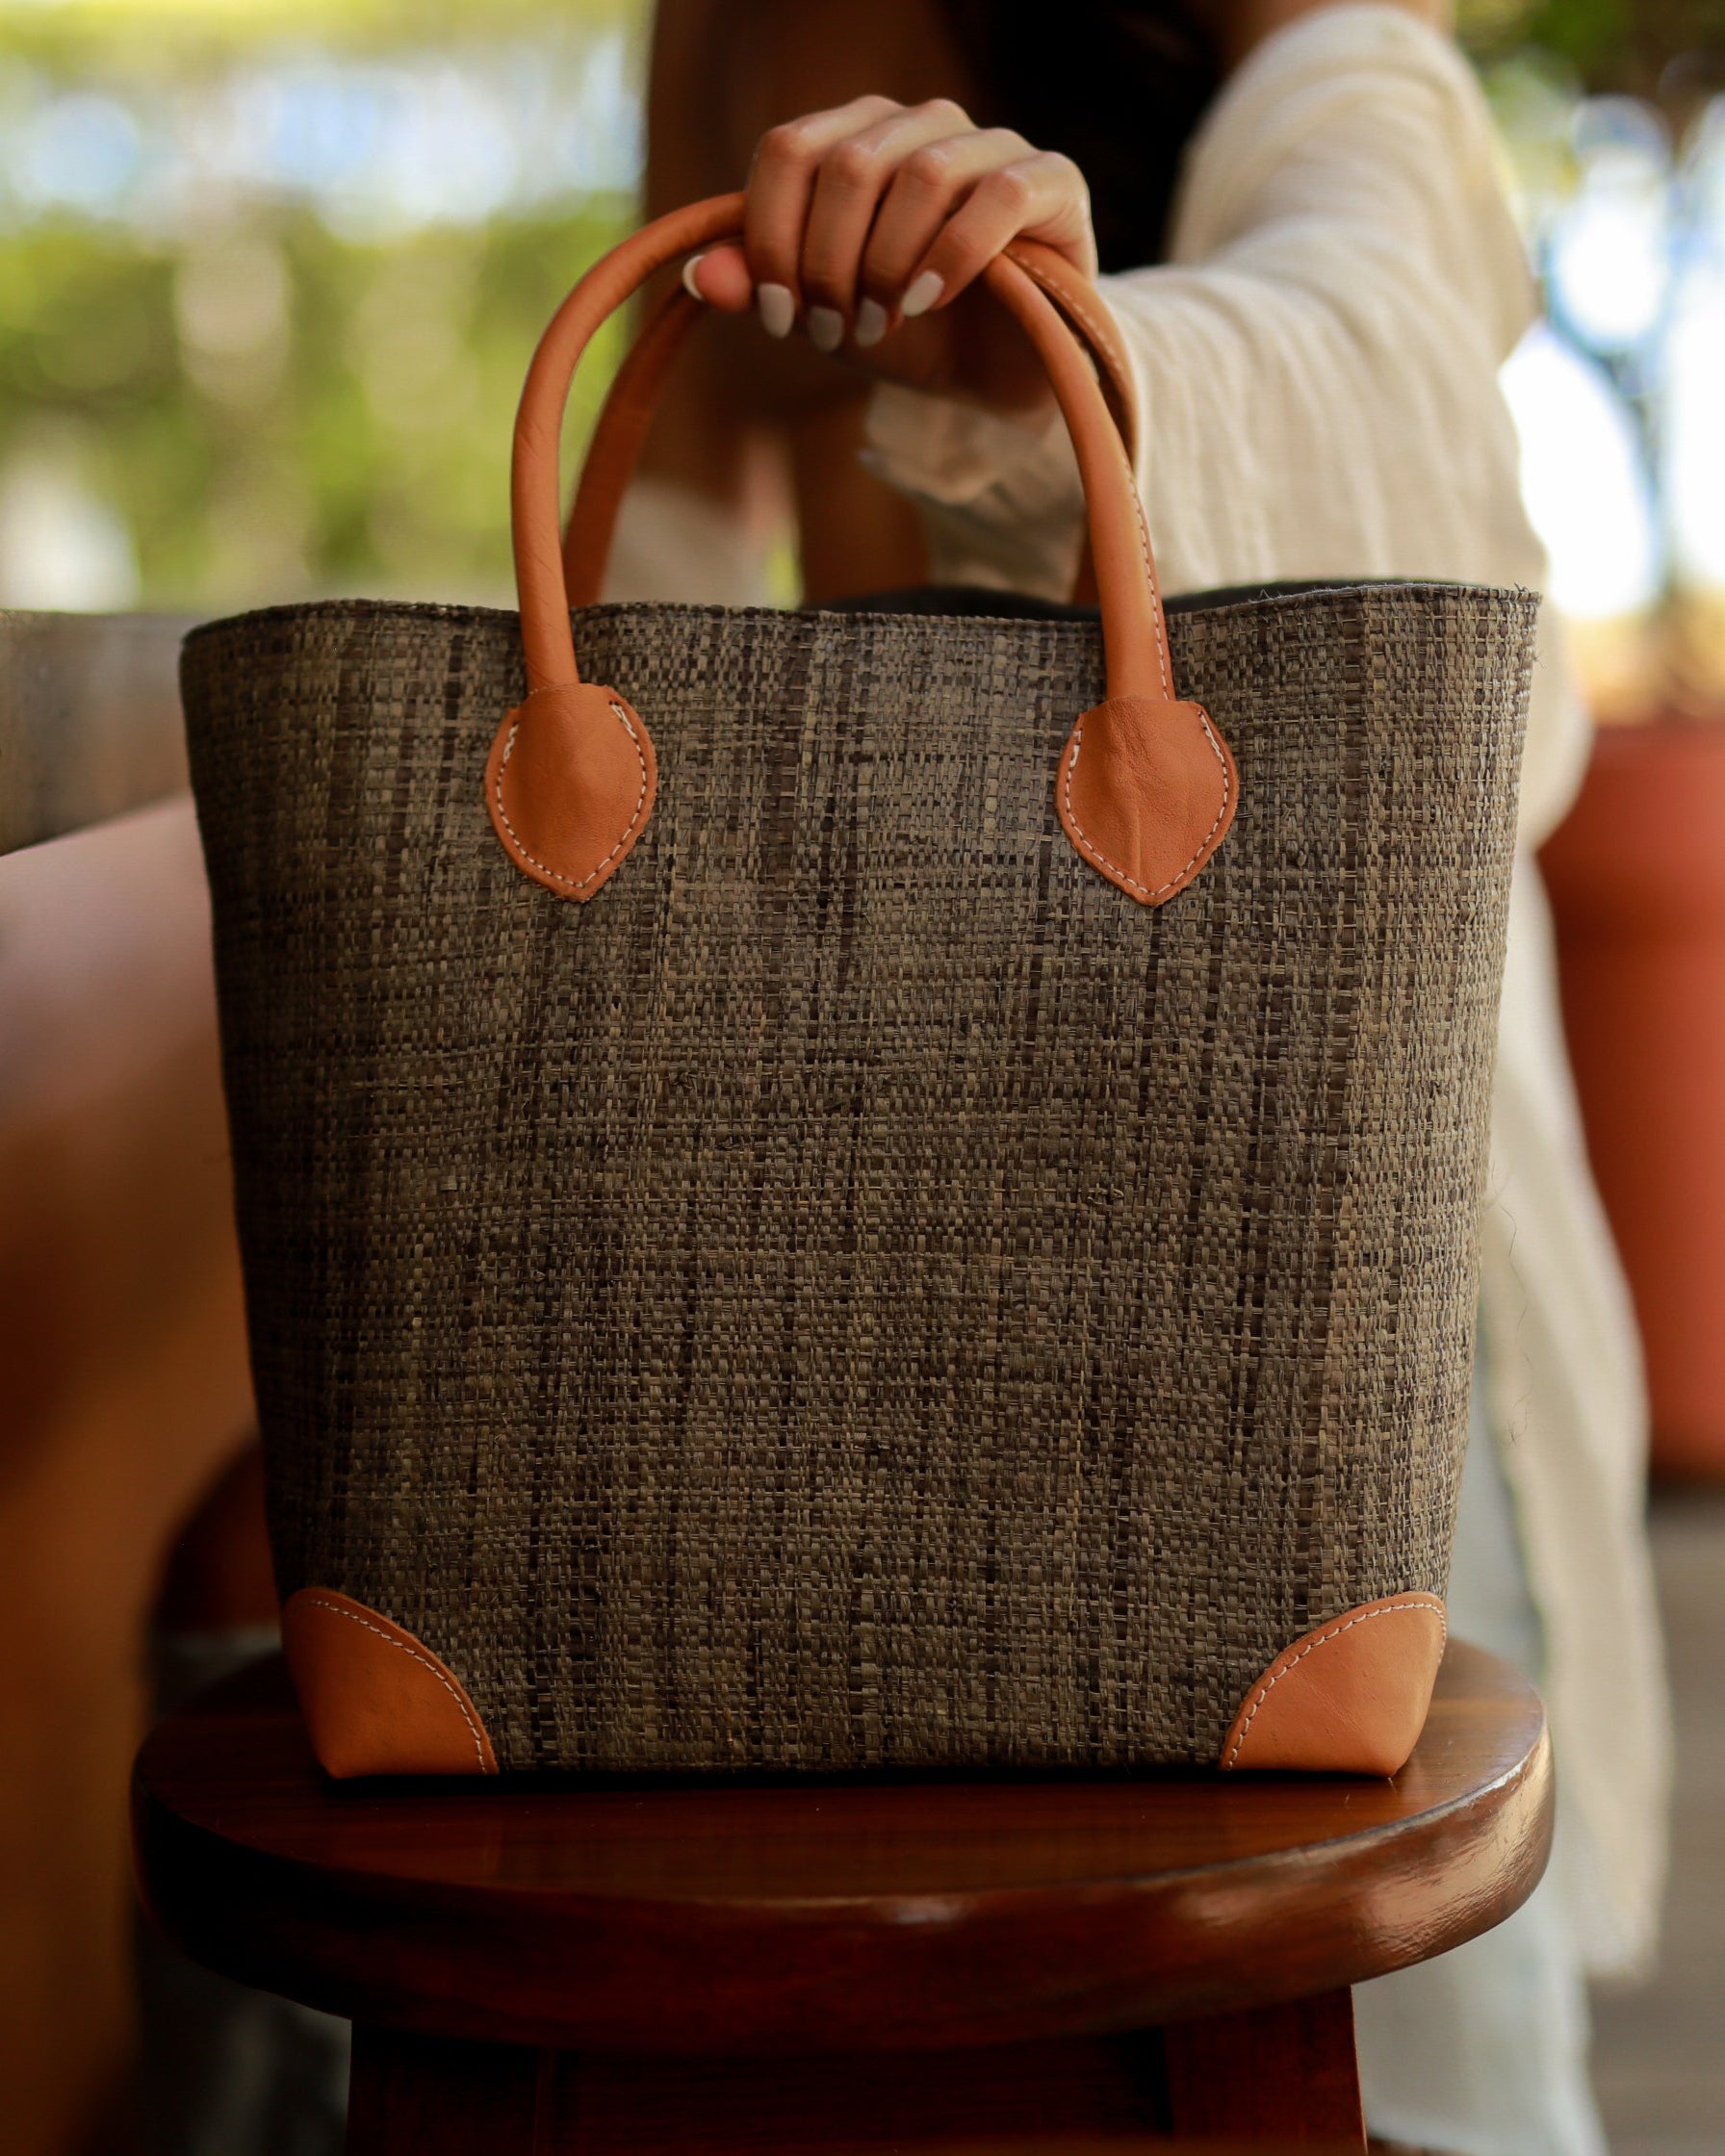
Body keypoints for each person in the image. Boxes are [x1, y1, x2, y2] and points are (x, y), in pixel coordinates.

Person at [610, 4, 1672, 2150]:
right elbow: (676, 503)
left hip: (1298, 1184)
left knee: (1372, 2021)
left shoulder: (1320, 35)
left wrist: (1059, 366)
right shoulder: (729, 24)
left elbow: (1379, 349)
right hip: (860, 1123)